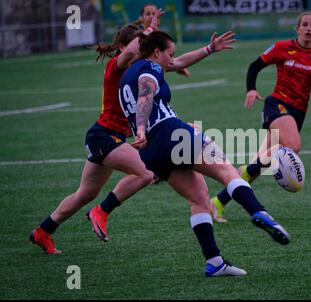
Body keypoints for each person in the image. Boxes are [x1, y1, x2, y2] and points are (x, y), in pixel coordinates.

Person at [117, 30, 290, 276]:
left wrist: (209, 49)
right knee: (226, 170)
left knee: (198, 197)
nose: (172, 60)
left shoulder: (126, 75)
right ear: (156, 52)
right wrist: (143, 126)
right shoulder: (150, 68)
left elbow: (174, 67)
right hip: (169, 132)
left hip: (150, 152)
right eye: (169, 54)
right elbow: (147, 93)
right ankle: (259, 212)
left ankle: (214, 262)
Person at [29, 12, 164, 254]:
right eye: (139, 42)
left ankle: (42, 232)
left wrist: (208, 50)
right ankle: (101, 212)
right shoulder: (118, 64)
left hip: (110, 138)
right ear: (123, 46)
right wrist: (148, 30)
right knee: (146, 173)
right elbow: (133, 51)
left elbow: (174, 61)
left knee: (84, 194)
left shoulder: (138, 70)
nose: (143, 48)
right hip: (104, 136)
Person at [210, 11, 311, 223]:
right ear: (297, 28)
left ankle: (217, 203)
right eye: (304, 24)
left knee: (257, 169)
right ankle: (246, 170)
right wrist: (251, 89)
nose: (308, 28)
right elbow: (254, 66)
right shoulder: (282, 47)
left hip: (298, 114)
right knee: (292, 147)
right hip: (277, 105)